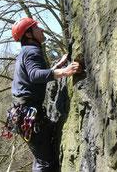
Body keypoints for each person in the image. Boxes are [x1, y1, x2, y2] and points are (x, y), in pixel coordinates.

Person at [11, 18, 82, 172]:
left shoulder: (25, 52)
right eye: (36, 27)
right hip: (28, 114)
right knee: (46, 163)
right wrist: (65, 71)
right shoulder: (32, 51)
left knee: (43, 154)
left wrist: (57, 67)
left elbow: (32, 79)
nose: (41, 29)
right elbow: (34, 75)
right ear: (29, 35)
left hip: (24, 113)